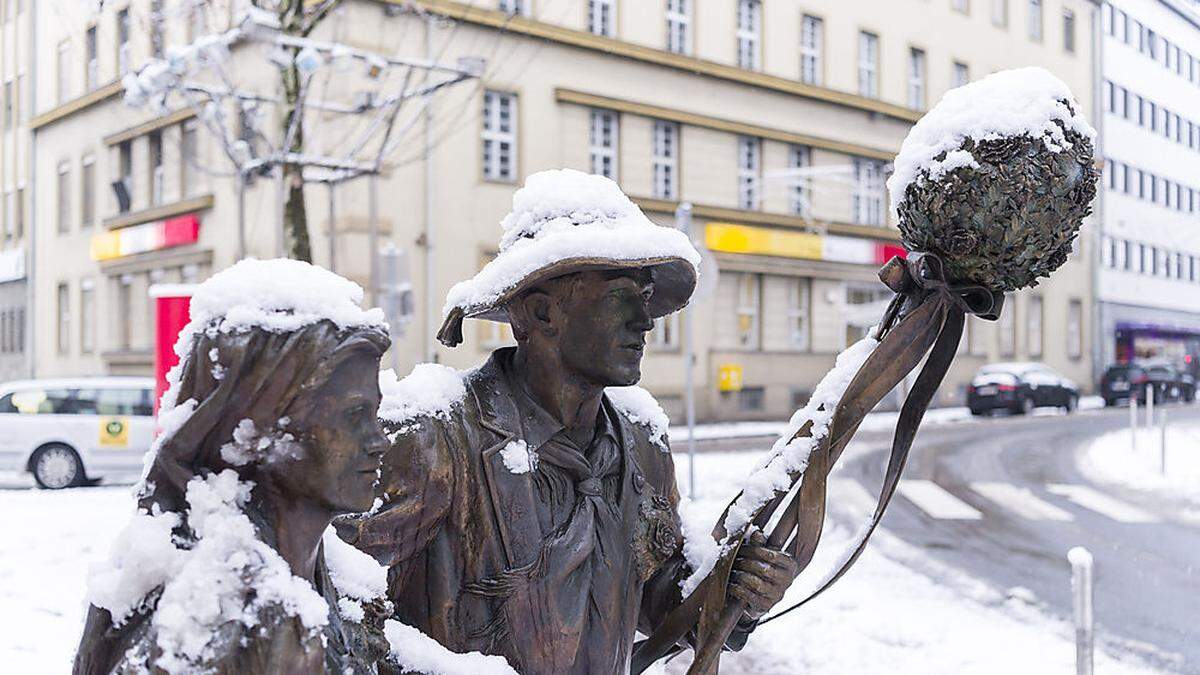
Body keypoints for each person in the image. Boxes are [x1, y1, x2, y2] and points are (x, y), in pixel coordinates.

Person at [340, 170, 796, 674]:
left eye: (645, 300)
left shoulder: (641, 442)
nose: (645, 322)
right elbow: (340, 608)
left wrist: (731, 591)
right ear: (541, 313)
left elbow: (656, 598)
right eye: (621, 296)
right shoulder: (434, 438)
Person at [74, 259, 394, 675]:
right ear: (254, 430)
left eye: (375, 414)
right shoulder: (220, 617)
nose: (379, 441)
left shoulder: (328, 575)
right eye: (354, 416)